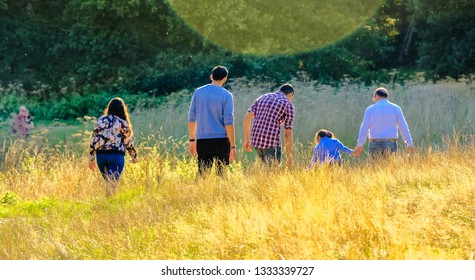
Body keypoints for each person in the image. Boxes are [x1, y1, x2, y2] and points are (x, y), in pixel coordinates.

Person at [188, 65, 236, 176]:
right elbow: (229, 121)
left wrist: (191, 140)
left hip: (202, 139)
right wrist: (232, 146)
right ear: (225, 78)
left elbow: (191, 117)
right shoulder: (227, 95)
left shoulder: (198, 92)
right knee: (222, 175)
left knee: (202, 174)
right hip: (222, 140)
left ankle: (197, 193)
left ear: (211, 77)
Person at [88, 97, 139, 197]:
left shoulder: (100, 121)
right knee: (112, 186)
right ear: (122, 109)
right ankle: (109, 209)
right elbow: (128, 142)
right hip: (116, 156)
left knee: (109, 184)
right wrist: (134, 157)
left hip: (101, 157)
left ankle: (107, 208)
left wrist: (91, 159)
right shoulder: (122, 123)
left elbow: (94, 140)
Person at [243, 84, 295, 167]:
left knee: (266, 171)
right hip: (271, 143)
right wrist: (289, 157)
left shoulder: (263, 97)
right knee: (273, 174)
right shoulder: (288, 104)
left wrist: (246, 139)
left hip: (256, 141)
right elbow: (287, 133)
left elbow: (247, 117)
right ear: (290, 94)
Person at [354, 87, 414, 158]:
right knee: (390, 168)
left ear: (377, 96)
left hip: (374, 143)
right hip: (391, 143)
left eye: (374, 97)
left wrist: (360, 144)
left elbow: (364, 128)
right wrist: (409, 143)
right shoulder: (396, 108)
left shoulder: (370, 109)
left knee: (375, 168)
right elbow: (403, 127)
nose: (374, 99)